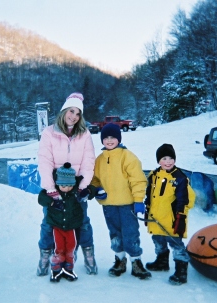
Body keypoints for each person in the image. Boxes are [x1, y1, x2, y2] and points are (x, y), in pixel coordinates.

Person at [37, 92, 97, 276]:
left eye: (78, 113)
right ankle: (45, 255)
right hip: (55, 186)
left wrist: (83, 186)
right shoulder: (49, 133)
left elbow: (89, 160)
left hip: (76, 187)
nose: (74, 116)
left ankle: (88, 254)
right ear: (64, 111)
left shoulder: (84, 134)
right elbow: (44, 160)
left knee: (83, 222)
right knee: (49, 222)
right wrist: (50, 189)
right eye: (71, 111)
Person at [90, 123, 151, 280]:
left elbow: (138, 180)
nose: (109, 141)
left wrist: (138, 200)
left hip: (127, 204)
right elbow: (94, 180)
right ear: (102, 140)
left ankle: (136, 262)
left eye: (113, 137)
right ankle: (119, 260)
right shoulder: (99, 160)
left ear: (119, 139)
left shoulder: (128, 157)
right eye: (106, 138)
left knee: (130, 233)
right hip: (109, 205)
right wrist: (96, 190)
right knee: (115, 234)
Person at [143, 143, 195, 285]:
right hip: (156, 217)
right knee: (158, 240)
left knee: (176, 244)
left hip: (173, 219)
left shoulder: (180, 178)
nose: (168, 162)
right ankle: (162, 262)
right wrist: (147, 209)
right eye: (164, 158)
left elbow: (186, 199)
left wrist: (180, 216)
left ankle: (181, 271)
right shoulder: (154, 175)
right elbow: (150, 194)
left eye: (171, 158)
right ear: (158, 160)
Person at [38, 162, 97, 282]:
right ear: (58, 183)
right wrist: (52, 202)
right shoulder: (53, 193)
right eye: (63, 185)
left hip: (71, 227)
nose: (67, 188)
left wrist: (90, 192)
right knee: (59, 248)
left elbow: (90, 190)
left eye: (70, 185)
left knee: (71, 247)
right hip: (57, 227)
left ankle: (69, 266)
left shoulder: (75, 192)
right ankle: (56, 266)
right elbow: (41, 198)